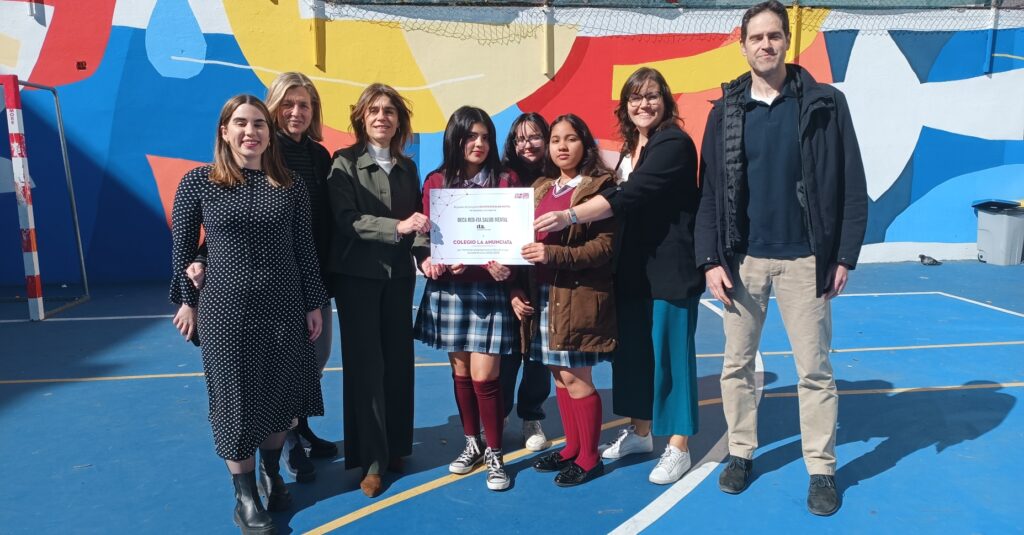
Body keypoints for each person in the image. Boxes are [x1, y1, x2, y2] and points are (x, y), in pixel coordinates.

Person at [695, 0, 868, 516]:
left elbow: (853, 185)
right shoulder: (726, 111)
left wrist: (844, 256)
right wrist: (710, 260)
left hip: (806, 261)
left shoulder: (825, 104)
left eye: (774, 36)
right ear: (742, 43)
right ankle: (741, 453)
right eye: (757, 37)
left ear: (787, 42)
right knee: (736, 366)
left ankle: (821, 468)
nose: (765, 45)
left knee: (814, 370)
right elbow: (708, 194)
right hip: (742, 261)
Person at [534, 67, 704, 485]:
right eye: (635, 97)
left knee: (670, 357)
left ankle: (678, 445)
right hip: (630, 272)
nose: (643, 104)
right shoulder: (630, 149)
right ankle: (642, 431)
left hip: (668, 270)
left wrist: (570, 214)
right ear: (625, 106)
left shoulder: (673, 143)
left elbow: (629, 195)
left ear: (665, 101)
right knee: (633, 357)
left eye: (651, 96)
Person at [170, 94, 327, 535]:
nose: (250, 132)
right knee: (235, 403)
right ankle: (244, 497)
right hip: (225, 312)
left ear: (268, 132)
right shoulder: (198, 183)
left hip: (284, 307)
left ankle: (272, 472)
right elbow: (182, 252)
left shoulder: (290, 184)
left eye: (258, 123)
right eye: (240, 123)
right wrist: (187, 299)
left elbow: (304, 250)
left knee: (280, 398)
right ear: (225, 131)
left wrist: (313, 302)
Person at [326, 83, 427, 498]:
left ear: (399, 120)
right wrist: (398, 229)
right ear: (361, 118)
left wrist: (424, 254)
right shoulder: (343, 164)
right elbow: (346, 220)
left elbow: (418, 220)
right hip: (358, 280)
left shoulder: (407, 166)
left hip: (399, 279)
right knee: (367, 368)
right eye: (374, 111)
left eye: (389, 111)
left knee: (399, 362)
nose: (382, 117)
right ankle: (370, 459)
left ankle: (396, 447)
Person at [414, 106, 517, 491]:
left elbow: (516, 241)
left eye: (485, 137)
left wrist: (506, 266)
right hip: (451, 290)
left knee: (484, 377)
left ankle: (495, 451)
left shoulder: (505, 182)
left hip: (489, 290)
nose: (478, 143)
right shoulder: (437, 181)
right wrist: (430, 261)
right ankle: (471, 442)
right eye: (470, 136)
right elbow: (427, 240)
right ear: (455, 140)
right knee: (460, 373)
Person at [517, 114, 617, 486]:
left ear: (584, 144)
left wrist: (553, 256)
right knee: (559, 377)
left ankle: (590, 458)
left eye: (570, 138)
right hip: (543, 294)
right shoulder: (542, 186)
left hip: (576, 298)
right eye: (555, 139)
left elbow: (603, 248)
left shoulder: (599, 187)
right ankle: (572, 447)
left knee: (578, 378)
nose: (561, 146)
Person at [499, 112, 553, 452]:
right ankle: (498, 415)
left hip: (545, 280)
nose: (527, 144)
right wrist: (511, 289)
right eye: (520, 138)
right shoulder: (504, 179)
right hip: (508, 280)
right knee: (505, 356)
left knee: (538, 356)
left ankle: (531, 415)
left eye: (534, 137)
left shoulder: (559, 178)